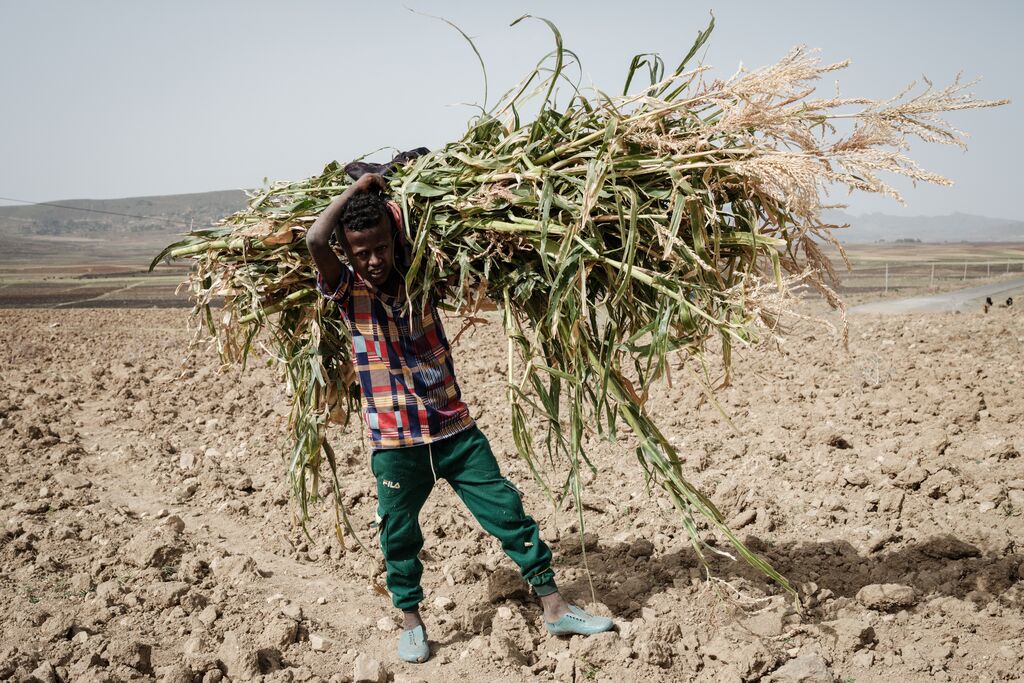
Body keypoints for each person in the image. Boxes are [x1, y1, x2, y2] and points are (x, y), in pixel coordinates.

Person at [305, 172, 613, 663]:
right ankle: (411, 622)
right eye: (361, 252)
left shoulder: (417, 272)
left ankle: (554, 607)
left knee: (508, 512)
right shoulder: (347, 292)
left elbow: (411, 215)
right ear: (347, 252)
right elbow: (315, 238)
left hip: (454, 430)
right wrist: (357, 188)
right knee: (399, 535)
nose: (374, 260)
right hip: (397, 443)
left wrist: (383, 196)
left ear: (394, 241)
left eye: (381, 247)